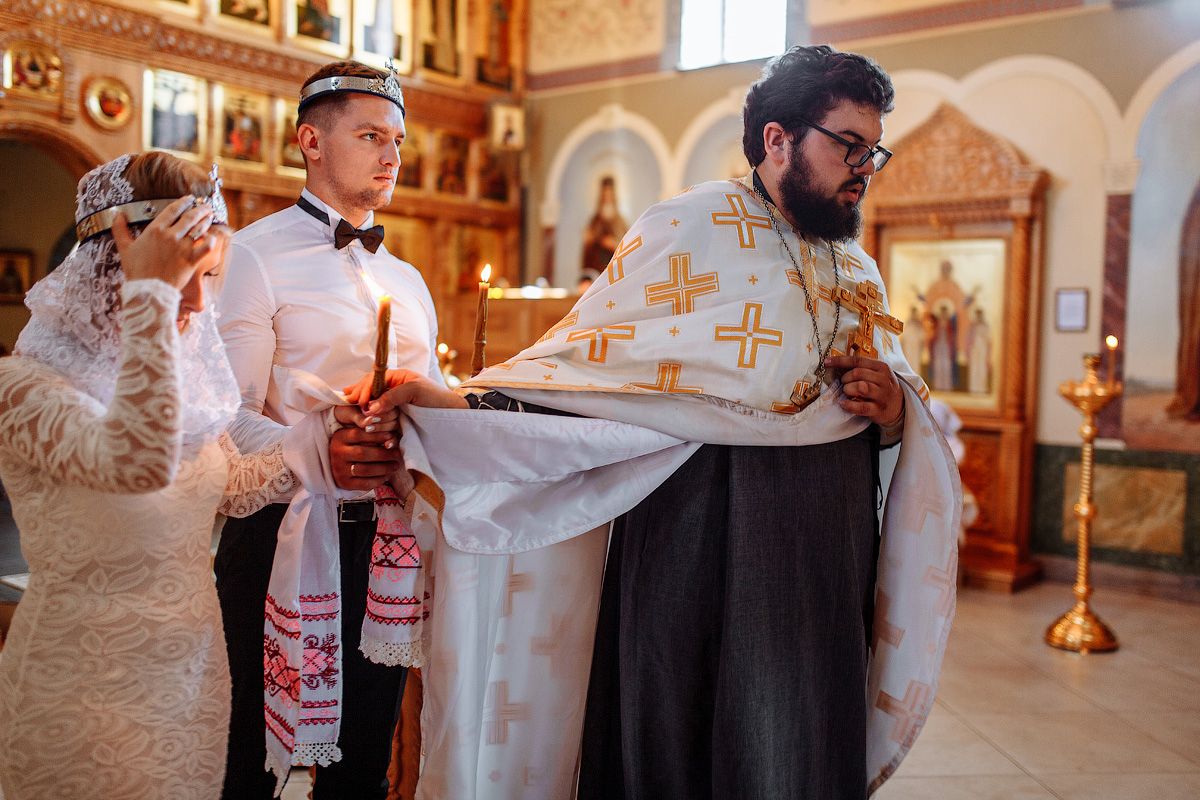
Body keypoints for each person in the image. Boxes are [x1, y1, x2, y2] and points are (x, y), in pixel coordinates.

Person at [361, 45, 960, 800]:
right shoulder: (688, 227)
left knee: (798, 734)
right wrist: (450, 405)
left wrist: (896, 406)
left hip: (822, 545)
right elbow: (584, 370)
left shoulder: (857, 269)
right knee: (675, 720)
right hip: (693, 526)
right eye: (848, 145)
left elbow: (900, 392)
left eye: (874, 150)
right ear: (778, 139)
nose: (865, 166)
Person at [0, 152, 356, 798]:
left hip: (192, 680)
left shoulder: (176, 384)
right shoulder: (21, 388)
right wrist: (152, 298)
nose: (197, 301)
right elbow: (137, 461)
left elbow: (232, 484)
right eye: (184, 275)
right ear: (116, 266)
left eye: (208, 275)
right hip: (80, 691)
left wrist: (325, 437)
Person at [215, 60, 444, 799]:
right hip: (279, 534)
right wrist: (315, 448)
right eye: (372, 135)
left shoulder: (408, 281)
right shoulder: (253, 254)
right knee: (255, 754)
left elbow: (428, 405)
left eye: (399, 140)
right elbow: (226, 420)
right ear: (310, 142)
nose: (392, 157)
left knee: (368, 753)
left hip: (385, 541)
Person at [580, 175, 628, 282]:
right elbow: (589, 248)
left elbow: (628, 245)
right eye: (605, 194)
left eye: (609, 194)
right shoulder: (595, 221)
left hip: (615, 269)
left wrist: (614, 244)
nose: (607, 196)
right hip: (597, 271)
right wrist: (590, 240)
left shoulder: (620, 221)